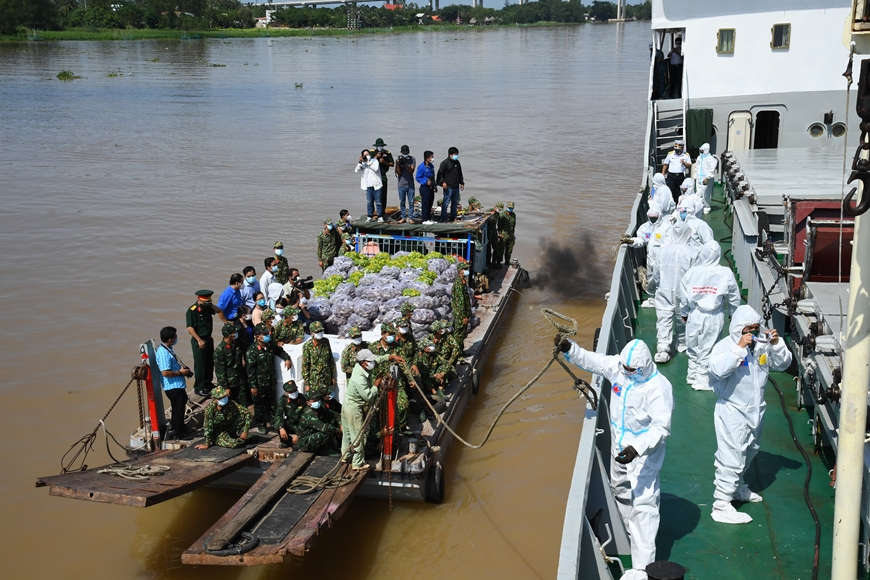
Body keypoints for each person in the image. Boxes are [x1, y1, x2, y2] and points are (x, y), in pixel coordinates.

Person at [557, 337, 673, 580]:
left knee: (643, 505)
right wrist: (570, 349)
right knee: (619, 490)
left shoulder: (658, 388)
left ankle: (642, 567)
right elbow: (594, 361)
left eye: (632, 370)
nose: (626, 372)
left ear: (643, 367)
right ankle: (629, 535)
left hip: (642, 457)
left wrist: (637, 448)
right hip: (619, 448)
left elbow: (661, 429)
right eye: (625, 368)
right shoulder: (620, 368)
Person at [708, 306, 792, 524]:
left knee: (751, 450)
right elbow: (717, 371)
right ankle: (721, 504)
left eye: (755, 329)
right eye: (748, 329)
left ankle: (737, 489)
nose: (752, 333)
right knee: (732, 457)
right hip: (732, 410)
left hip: (756, 409)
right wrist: (739, 349)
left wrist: (776, 344)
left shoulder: (760, 347)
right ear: (737, 328)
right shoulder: (724, 347)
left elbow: (784, 364)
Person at [678, 241, 741, 391]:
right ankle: (702, 380)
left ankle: (692, 375)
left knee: (692, 345)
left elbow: (683, 296)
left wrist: (684, 313)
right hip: (713, 315)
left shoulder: (692, 272)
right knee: (709, 347)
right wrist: (733, 314)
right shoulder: (725, 273)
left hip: (695, 314)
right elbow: (733, 296)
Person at [342, 349, 404, 470]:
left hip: (347, 404)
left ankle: (345, 456)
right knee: (358, 435)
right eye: (369, 361)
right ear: (363, 362)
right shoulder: (359, 378)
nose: (372, 363)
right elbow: (368, 396)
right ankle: (357, 463)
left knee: (348, 434)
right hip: (354, 408)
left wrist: (390, 356)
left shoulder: (361, 366)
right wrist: (376, 384)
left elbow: (378, 360)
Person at [651, 219, 698, 363]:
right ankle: (682, 343)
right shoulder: (693, 252)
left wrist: (659, 285)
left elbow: (656, 272)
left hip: (664, 289)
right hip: (684, 291)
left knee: (664, 317)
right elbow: (695, 275)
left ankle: (663, 348)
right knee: (682, 316)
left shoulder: (663, 251)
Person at [246, 323, 292, 433]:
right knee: (259, 405)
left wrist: (287, 358)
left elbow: (279, 351)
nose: (268, 335)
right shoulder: (252, 351)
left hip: (271, 381)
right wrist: (253, 386)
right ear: (257, 336)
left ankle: (273, 422)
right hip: (259, 383)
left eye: (268, 333)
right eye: (264, 334)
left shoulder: (270, 345)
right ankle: (261, 424)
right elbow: (250, 371)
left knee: (272, 403)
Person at [186, 289, 227, 397]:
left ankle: (207, 383)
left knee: (209, 362)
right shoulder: (192, 311)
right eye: (206, 302)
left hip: (209, 339)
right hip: (199, 341)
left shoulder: (207, 308)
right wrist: (199, 340)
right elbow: (190, 328)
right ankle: (199, 387)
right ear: (199, 300)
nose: (207, 304)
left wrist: (210, 304)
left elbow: (219, 311)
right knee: (200, 365)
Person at [156, 326, 194, 439]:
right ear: (170, 339)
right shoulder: (163, 353)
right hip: (172, 387)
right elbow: (165, 373)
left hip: (177, 385)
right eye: (175, 336)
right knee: (178, 410)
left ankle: (176, 426)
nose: (176, 338)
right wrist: (181, 373)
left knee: (178, 407)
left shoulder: (167, 349)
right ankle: (180, 433)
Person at [214, 322, 248, 407]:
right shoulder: (220, 351)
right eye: (234, 332)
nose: (236, 333)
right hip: (230, 383)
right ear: (230, 335)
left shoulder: (236, 343)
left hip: (240, 380)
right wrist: (225, 387)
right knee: (231, 408)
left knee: (243, 406)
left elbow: (247, 347)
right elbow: (220, 372)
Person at [301, 321, 336, 399]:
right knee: (316, 401)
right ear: (311, 333)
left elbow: (330, 359)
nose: (320, 333)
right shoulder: (307, 346)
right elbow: (305, 365)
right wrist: (307, 383)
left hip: (326, 378)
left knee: (327, 400)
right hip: (315, 380)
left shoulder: (326, 342)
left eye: (321, 331)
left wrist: (332, 376)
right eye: (317, 331)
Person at [436, 147, 464, 223]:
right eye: (455, 154)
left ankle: (452, 217)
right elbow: (440, 175)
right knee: (446, 203)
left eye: (457, 154)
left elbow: (460, 173)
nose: (456, 156)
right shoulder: (444, 163)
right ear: (450, 154)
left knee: (455, 203)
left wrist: (462, 183)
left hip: (456, 186)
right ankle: (443, 218)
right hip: (448, 186)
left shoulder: (457, 163)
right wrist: (443, 182)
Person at [355, 148, 383, 222]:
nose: (366, 156)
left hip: (376, 185)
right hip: (368, 186)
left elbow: (375, 168)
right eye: (365, 155)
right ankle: (369, 216)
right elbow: (357, 170)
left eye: (367, 154)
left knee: (378, 201)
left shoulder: (374, 161)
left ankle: (380, 216)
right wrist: (360, 162)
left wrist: (368, 162)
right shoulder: (363, 164)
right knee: (369, 202)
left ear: (370, 155)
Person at [274, 381, 304, 448]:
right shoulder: (283, 399)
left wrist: (298, 434)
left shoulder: (302, 398)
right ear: (286, 393)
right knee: (277, 425)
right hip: (290, 423)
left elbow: (306, 417)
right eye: (291, 392)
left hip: (301, 424)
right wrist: (281, 428)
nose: (294, 393)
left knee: (300, 445)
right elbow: (278, 415)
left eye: (295, 390)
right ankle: (286, 442)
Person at [451, 263, 472, 347]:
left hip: (464, 312)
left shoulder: (462, 281)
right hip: (460, 313)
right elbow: (460, 301)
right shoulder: (458, 284)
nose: (467, 271)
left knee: (462, 333)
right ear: (460, 271)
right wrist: (464, 316)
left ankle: (460, 351)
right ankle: (456, 353)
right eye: (465, 269)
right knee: (459, 334)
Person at [371, 138, 394, 213]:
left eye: (381, 146)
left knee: (383, 195)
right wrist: (376, 157)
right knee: (373, 195)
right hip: (374, 176)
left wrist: (384, 162)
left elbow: (392, 164)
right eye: (378, 146)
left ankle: (382, 212)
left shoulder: (387, 153)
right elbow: (368, 163)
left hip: (383, 175)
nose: (380, 147)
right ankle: (374, 211)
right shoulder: (372, 153)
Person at [395, 145, 417, 223]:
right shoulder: (398, 160)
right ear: (401, 152)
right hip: (401, 184)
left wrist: (406, 164)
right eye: (404, 153)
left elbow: (411, 171)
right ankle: (403, 217)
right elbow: (399, 173)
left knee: (411, 202)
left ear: (409, 152)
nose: (405, 154)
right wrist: (398, 164)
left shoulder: (412, 159)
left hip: (410, 184)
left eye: (406, 152)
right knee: (402, 202)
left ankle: (411, 217)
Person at [694, 143, 718, 214]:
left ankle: (706, 207)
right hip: (699, 177)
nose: (701, 152)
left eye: (702, 150)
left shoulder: (710, 159)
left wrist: (707, 178)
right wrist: (695, 177)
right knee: (698, 193)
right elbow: (696, 168)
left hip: (706, 179)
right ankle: (700, 206)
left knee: (706, 193)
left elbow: (711, 169)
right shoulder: (699, 158)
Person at [415, 150, 436, 224]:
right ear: (427, 158)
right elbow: (418, 177)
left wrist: (434, 186)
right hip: (424, 187)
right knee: (425, 203)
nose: (432, 159)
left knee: (430, 202)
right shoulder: (421, 167)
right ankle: (424, 219)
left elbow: (433, 177)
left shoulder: (431, 166)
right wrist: (426, 181)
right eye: (431, 157)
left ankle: (429, 218)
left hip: (431, 187)